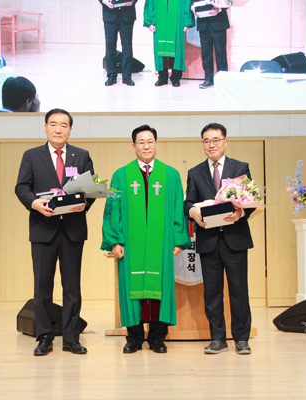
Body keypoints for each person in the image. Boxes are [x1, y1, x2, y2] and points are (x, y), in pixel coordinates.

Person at [101, 125, 191, 354]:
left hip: (162, 244)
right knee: (132, 288)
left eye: (150, 141)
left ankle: (157, 338)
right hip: (131, 245)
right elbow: (112, 209)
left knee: (160, 287)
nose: (146, 146)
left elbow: (177, 208)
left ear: (156, 144)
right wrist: (115, 241)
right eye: (141, 142)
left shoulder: (171, 175)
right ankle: (134, 337)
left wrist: (178, 239)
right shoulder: (120, 176)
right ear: (133, 146)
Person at [15, 108, 95, 356]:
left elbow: (90, 189)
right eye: (53, 124)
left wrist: (84, 204)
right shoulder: (32, 156)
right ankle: (44, 337)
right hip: (43, 229)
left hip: (72, 230)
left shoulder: (82, 156)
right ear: (45, 127)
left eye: (63, 125)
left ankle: (71, 338)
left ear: (70, 129)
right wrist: (34, 203)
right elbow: (21, 187)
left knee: (72, 287)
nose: (58, 129)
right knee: (42, 287)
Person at [184, 122, 254, 355]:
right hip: (209, 239)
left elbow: (249, 201)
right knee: (212, 293)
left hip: (235, 238)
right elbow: (188, 203)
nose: (211, 144)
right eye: (206, 141)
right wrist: (192, 211)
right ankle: (218, 339)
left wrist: (241, 213)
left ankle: (241, 339)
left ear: (225, 141)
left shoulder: (240, 167)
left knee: (239, 291)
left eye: (216, 140)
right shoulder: (195, 172)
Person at [144, 0, 194, 87]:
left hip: (177, 20)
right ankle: (162, 77)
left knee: (176, 48)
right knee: (161, 48)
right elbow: (150, 2)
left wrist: (186, 22)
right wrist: (150, 22)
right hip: (159, 20)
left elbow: (187, 3)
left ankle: (176, 77)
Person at [190, 2, 230, 89]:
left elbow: (228, 2)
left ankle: (222, 79)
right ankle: (208, 79)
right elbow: (193, 2)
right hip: (203, 23)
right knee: (206, 53)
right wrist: (193, 8)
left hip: (219, 22)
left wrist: (219, 8)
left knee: (221, 53)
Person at [99, 0, 138, 86]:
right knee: (110, 45)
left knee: (127, 46)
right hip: (110, 14)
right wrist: (103, 1)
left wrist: (133, 1)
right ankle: (111, 75)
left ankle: (127, 76)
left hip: (127, 14)